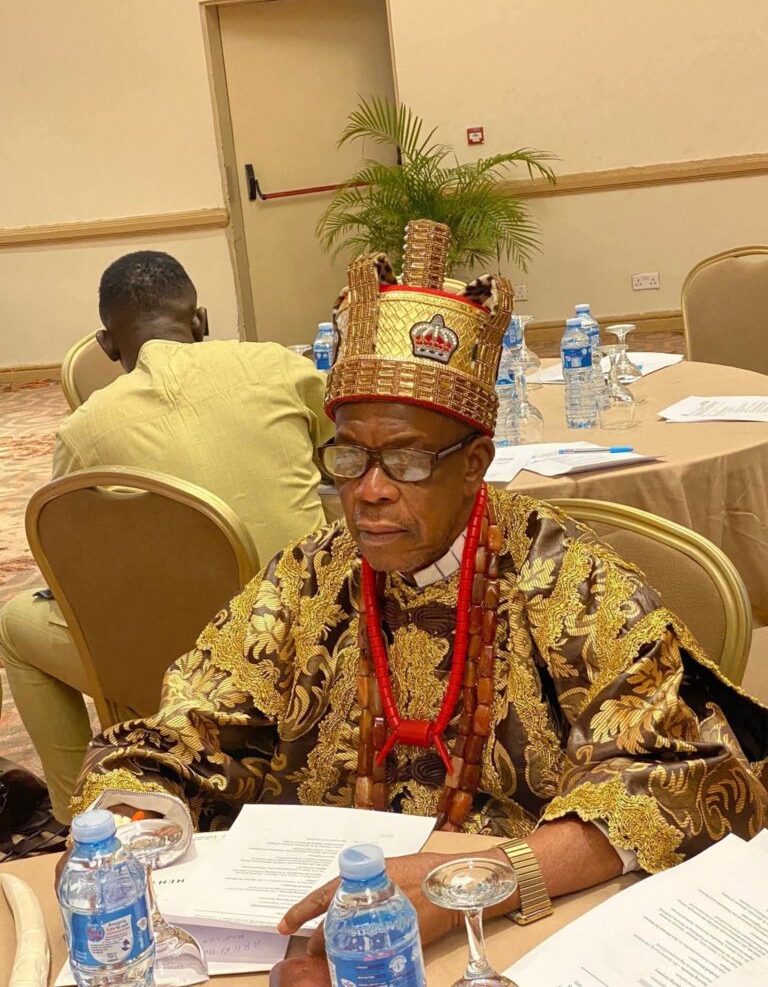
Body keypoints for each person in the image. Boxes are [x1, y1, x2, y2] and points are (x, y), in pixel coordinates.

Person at [68, 223, 768, 986]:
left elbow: (679, 778)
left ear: (474, 464)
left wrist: (473, 882)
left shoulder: (567, 580)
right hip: (312, 938)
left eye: (404, 459)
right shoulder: (309, 575)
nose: (368, 491)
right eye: (349, 456)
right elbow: (182, 728)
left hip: (525, 937)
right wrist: (126, 828)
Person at [0, 249, 334, 826]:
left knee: (15, 625)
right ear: (200, 321)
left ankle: (82, 819)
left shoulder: (84, 429)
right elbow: (344, 448)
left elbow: (72, 567)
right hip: (314, 650)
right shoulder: (278, 365)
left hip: (172, 670)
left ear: (108, 346)